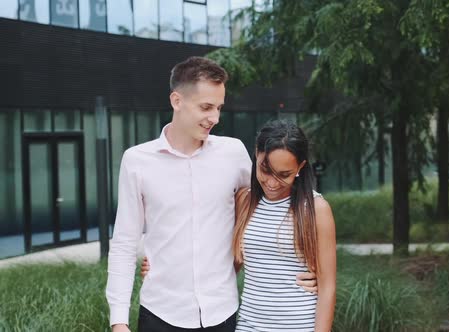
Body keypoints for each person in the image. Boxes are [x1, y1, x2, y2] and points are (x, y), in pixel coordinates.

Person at [106, 56, 315, 332]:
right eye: (206, 107)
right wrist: (118, 320)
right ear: (176, 101)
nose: (214, 118)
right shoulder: (137, 161)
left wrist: (313, 267)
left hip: (222, 313)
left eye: (218, 108)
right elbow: (124, 242)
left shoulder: (233, 153)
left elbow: (277, 200)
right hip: (161, 312)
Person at [143, 120, 337, 332]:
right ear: (256, 154)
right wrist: (165, 267)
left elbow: (327, 287)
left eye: (284, 175)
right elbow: (222, 262)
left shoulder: (316, 209)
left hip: (299, 326)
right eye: (265, 170)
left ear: (300, 167)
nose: (272, 182)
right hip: (249, 325)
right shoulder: (245, 201)